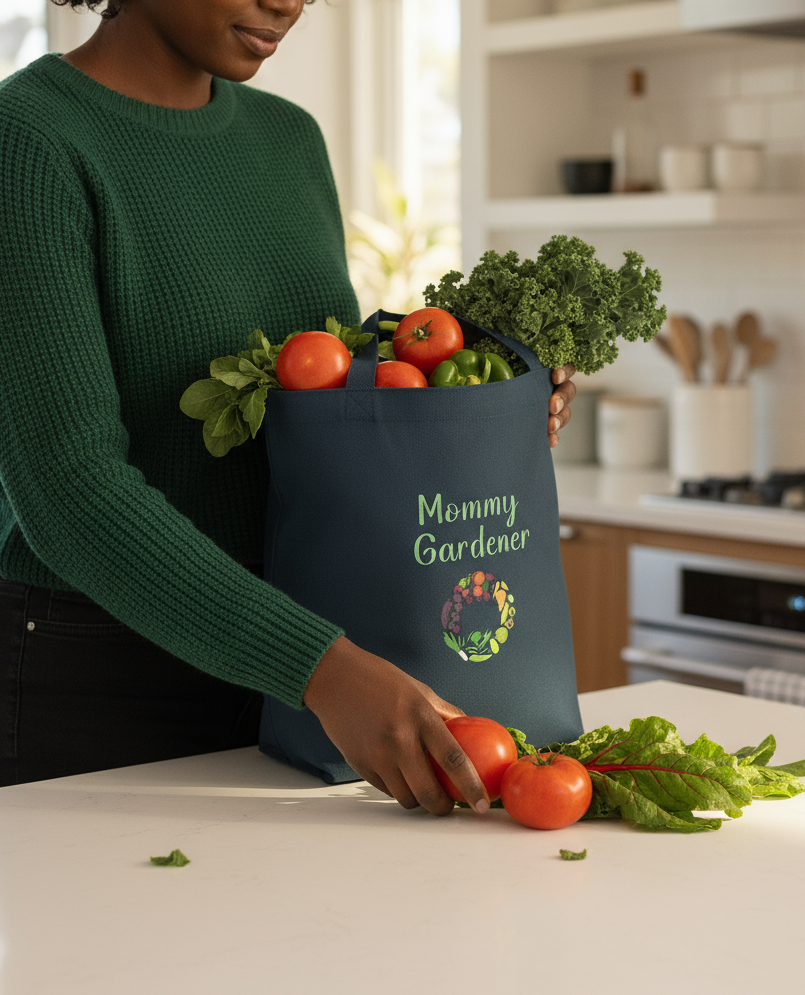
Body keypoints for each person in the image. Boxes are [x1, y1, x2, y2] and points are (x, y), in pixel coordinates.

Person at [0, 0, 577, 807]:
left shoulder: (287, 139)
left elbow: (318, 404)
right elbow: (68, 490)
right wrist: (319, 669)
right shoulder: (27, 140)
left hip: (310, 659)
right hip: (106, 674)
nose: (290, 3)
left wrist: (481, 417)